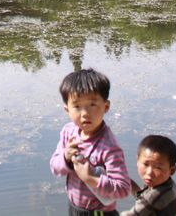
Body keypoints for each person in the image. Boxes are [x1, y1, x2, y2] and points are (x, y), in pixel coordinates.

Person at [50, 68, 131, 216]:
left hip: (99, 213)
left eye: (92, 105)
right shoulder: (69, 132)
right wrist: (66, 158)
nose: (85, 113)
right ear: (67, 109)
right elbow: (55, 167)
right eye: (77, 106)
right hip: (75, 208)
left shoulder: (109, 147)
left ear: (105, 107)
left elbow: (123, 189)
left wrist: (91, 179)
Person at [121, 135, 176, 216]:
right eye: (145, 164)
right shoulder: (167, 184)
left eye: (158, 167)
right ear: (138, 161)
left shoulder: (154, 198)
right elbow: (141, 196)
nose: (149, 172)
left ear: (172, 170)